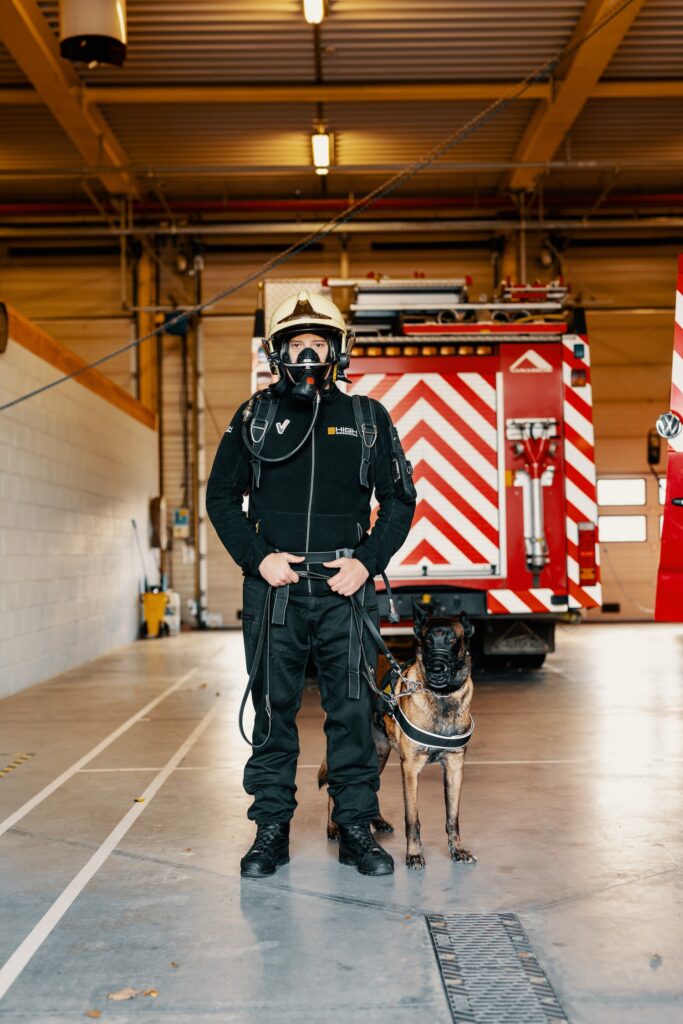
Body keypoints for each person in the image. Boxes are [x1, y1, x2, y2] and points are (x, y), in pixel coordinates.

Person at [206, 289, 416, 879]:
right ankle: (270, 830)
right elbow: (220, 496)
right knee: (273, 714)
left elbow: (400, 499)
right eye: (295, 344)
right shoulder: (255, 417)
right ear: (278, 352)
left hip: (343, 589)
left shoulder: (366, 418)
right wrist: (257, 558)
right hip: (274, 592)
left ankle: (354, 828)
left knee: (351, 712)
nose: (306, 354)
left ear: (336, 350)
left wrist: (366, 562)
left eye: (317, 343)